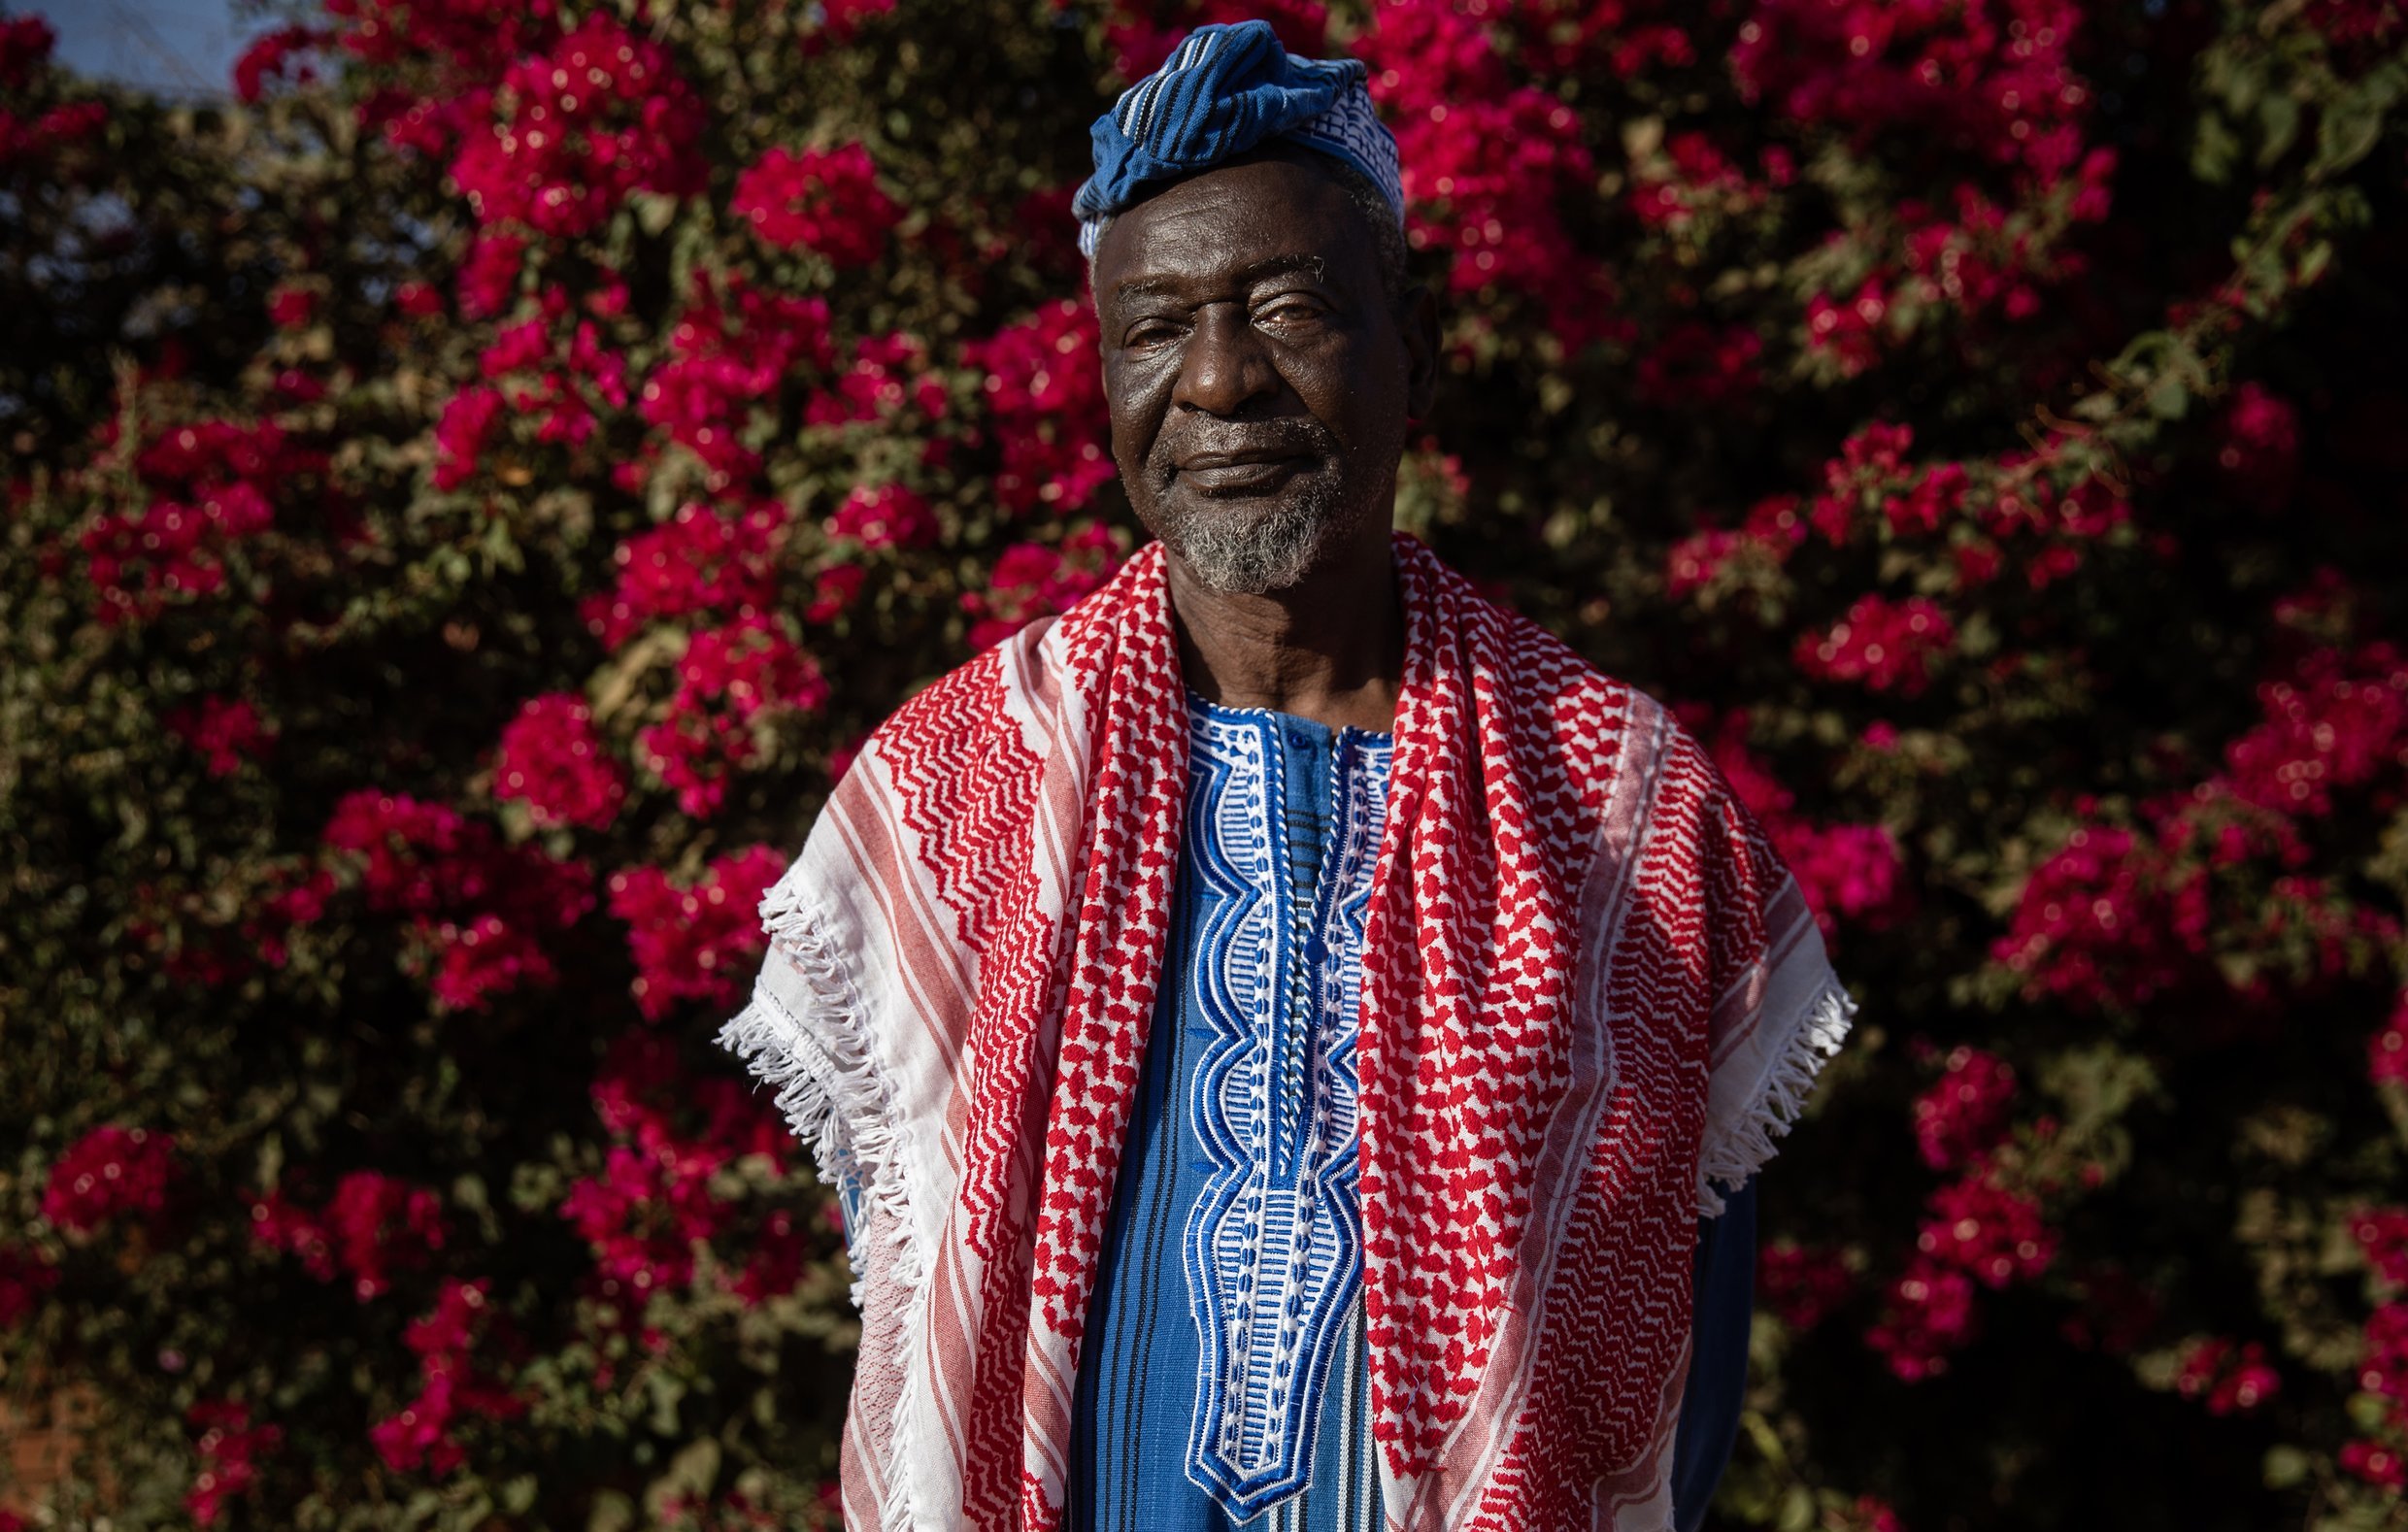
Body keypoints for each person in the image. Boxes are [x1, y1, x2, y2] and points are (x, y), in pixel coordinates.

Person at [720, 22, 1854, 1531]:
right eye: (1155, 326)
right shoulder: (953, 790)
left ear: (1417, 347)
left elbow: (1675, 1364)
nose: (1217, 380)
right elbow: (913, 1288)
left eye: (1287, 308)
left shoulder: (1621, 811)